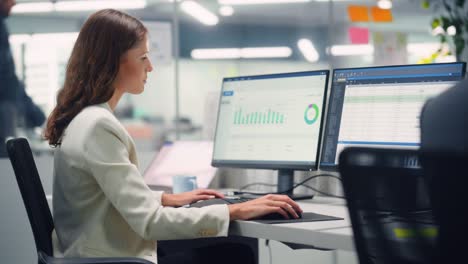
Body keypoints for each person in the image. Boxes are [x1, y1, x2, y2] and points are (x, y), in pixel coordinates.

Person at [43, 9, 302, 264]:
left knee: (227, 247)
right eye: (143, 57)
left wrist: (163, 199)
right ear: (112, 61)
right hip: (111, 258)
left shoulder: (82, 119)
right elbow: (150, 223)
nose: (151, 67)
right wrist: (235, 210)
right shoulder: (99, 126)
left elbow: (103, 200)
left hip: (90, 253)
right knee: (235, 252)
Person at [0, 0, 45, 157]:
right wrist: (34, 114)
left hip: (7, 102)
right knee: (7, 158)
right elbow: (6, 77)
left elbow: (9, 76)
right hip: (4, 105)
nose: (14, 3)